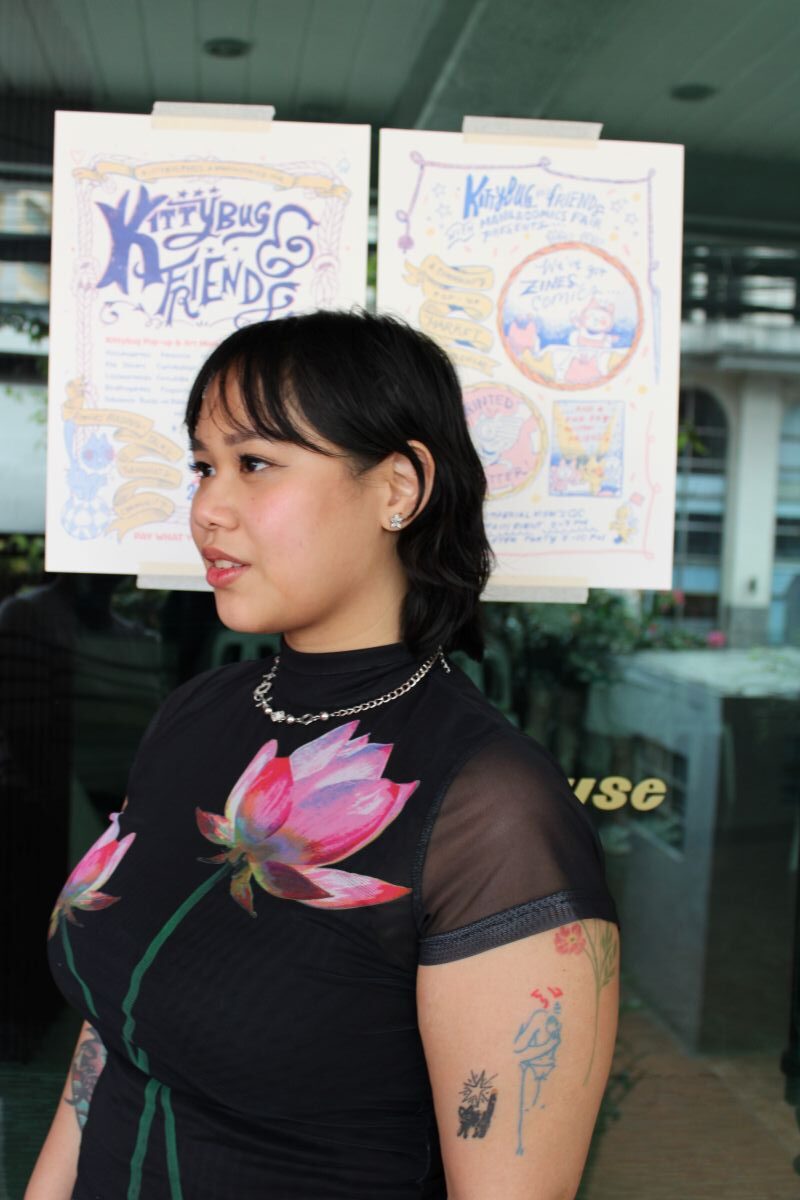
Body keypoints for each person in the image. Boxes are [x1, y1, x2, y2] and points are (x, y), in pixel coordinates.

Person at [27, 309, 619, 1200]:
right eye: (203, 466)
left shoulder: (491, 807)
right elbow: (108, 1040)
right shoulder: (197, 714)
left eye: (256, 463)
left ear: (398, 488)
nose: (207, 508)